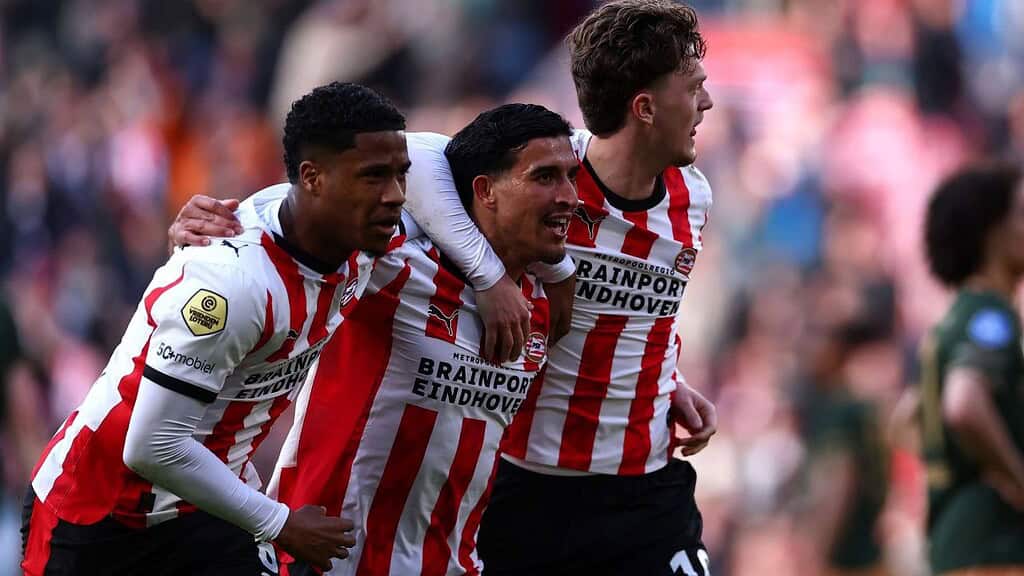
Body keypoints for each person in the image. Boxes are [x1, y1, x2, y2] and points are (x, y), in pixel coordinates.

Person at [21, 81, 409, 575]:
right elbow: (151, 446)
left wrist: (489, 280)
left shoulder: (362, 232)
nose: (396, 196)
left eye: (401, 176)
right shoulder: (235, 283)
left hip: (202, 508)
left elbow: (449, 155)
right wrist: (281, 523)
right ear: (312, 179)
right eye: (375, 176)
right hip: (98, 515)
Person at [397, 1, 718, 574]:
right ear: (644, 108)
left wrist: (671, 380)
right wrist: (490, 277)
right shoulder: (546, 171)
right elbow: (415, 156)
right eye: (693, 89)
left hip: (647, 489)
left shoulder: (694, 197)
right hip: (529, 485)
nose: (708, 103)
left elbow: (640, 313)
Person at [268, 103, 578, 575]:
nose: (569, 196)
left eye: (570, 177)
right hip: (327, 561)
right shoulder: (393, 265)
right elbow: (304, 214)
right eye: (545, 177)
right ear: (485, 190)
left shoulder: (541, 302)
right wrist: (219, 222)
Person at [919, 162, 1024, 576]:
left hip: (955, 542)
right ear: (993, 232)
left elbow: (906, 420)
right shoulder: (990, 317)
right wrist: (1017, 478)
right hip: (994, 546)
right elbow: (963, 405)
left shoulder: (951, 322)